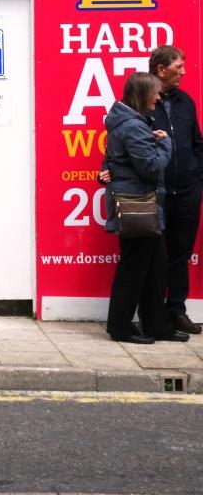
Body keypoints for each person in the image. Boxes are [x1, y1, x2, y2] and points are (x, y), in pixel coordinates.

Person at [104, 71, 189, 344]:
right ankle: (120, 327)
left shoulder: (134, 123)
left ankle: (156, 324)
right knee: (135, 267)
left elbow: (117, 161)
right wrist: (164, 143)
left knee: (154, 268)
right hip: (137, 205)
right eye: (154, 92)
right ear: (142, 94)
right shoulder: (132, 126)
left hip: (146, 205)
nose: (158, 96)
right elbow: (151, 168)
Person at [148, 45, 203, 334]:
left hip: (187, 192)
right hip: (155, 194)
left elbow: (197, 143)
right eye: (178, 66)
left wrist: (199, 182)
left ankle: (176, 310)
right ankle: (155, 314)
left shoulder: (186, 102)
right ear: (161, 69)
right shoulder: (142, 101)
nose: (183, 72)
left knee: (181, 255)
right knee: (156, 255)